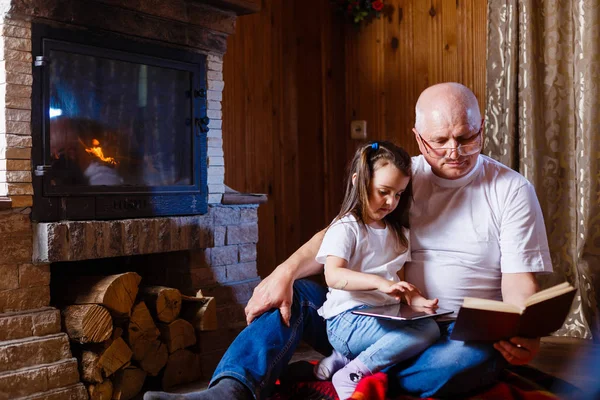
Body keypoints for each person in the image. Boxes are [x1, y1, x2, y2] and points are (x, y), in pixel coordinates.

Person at [144, 82, 552, 400]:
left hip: (454, 333)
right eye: (439, 141)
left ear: (482, 127)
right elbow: (341, 231)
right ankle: (231, 390)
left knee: (471, 361)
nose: (454, 152)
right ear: (418, 135)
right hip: (376, 320)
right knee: (297, 294)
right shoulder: (401, 178)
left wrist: (524, 329)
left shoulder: (511, 189)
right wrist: (283, 272)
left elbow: (519, 282)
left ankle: (348, 373)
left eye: (467, 138)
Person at [314, 141, 439, 399]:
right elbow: (333, 275)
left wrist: (417, 302)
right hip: (345, 320)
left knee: (426, 328)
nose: (391, 201)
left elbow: (398, 282)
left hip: (381, 315)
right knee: (426, 333)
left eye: (399, 194)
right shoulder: (346, 227)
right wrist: (379, 283)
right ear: (359, 181)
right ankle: (351, 374)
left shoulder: (398, 233)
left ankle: (344, 359)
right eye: (384, 191)